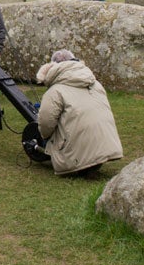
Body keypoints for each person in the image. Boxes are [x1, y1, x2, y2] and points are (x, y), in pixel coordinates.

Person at [36, 49, 123, 177]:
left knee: (50, 128)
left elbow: (46, 124)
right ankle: (97, 155)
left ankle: (77, 160)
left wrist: (44, 136)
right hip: (108, 145)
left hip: (75, 151)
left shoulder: (55, 91)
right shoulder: (96, 84)